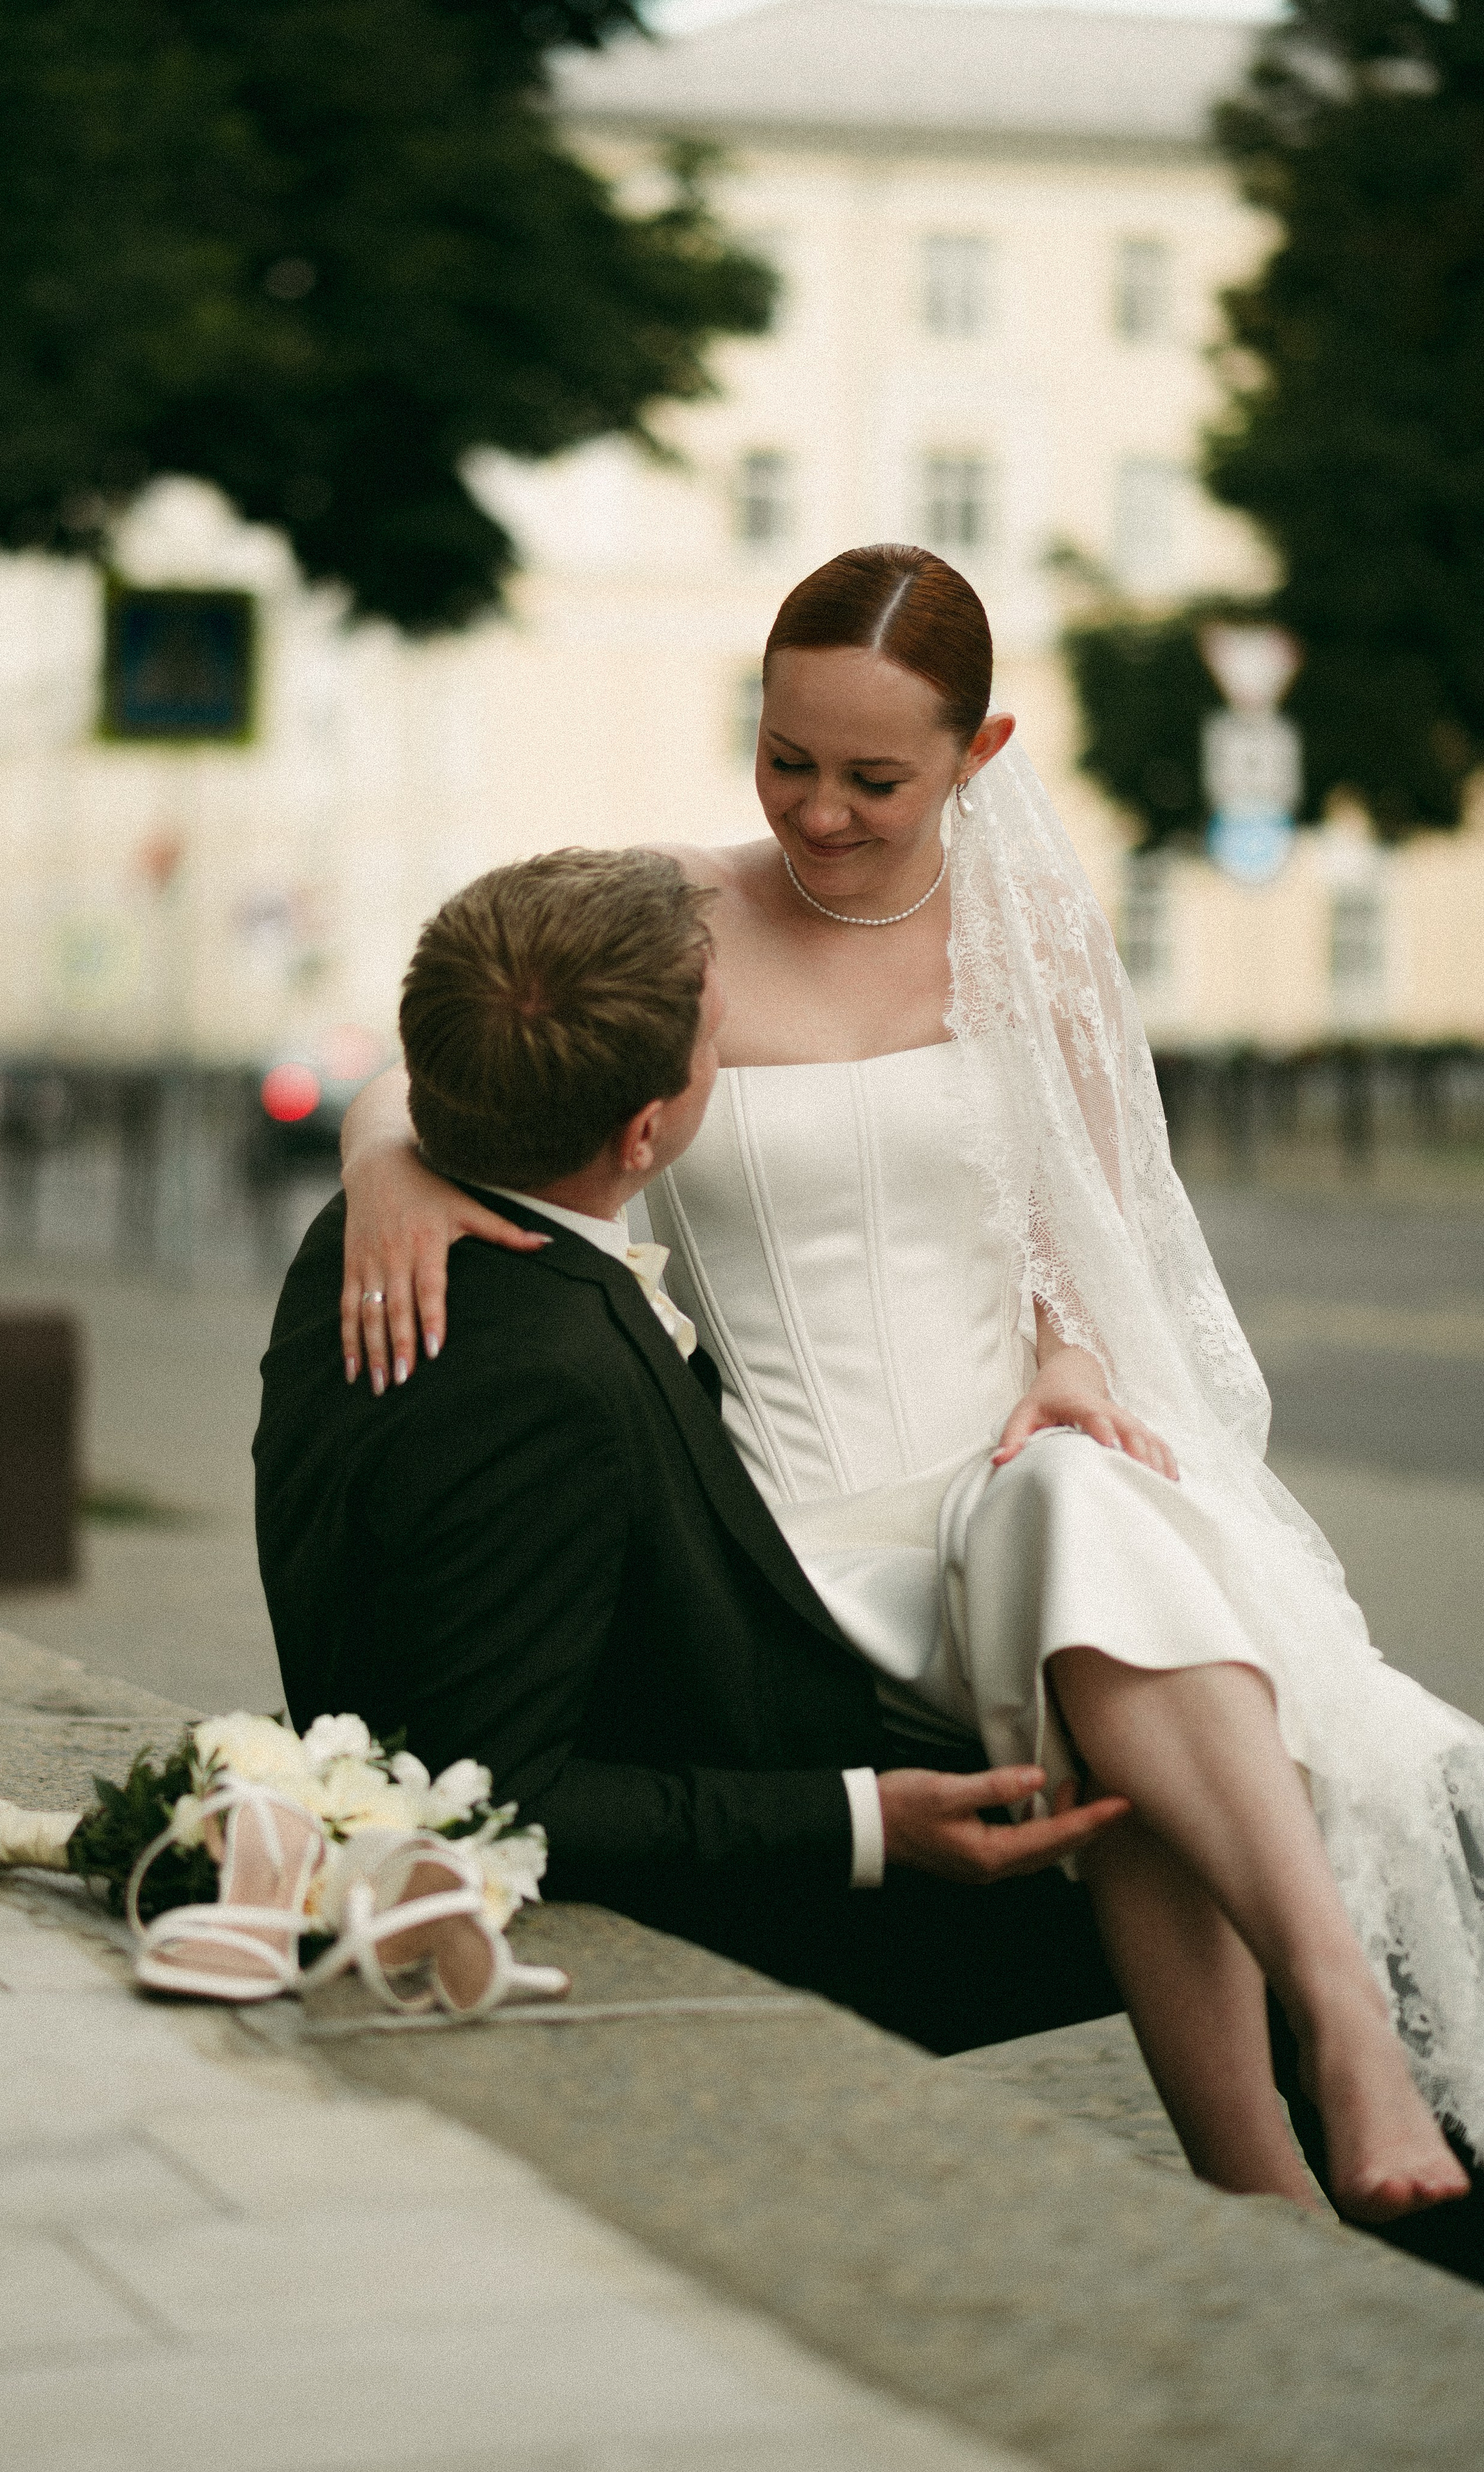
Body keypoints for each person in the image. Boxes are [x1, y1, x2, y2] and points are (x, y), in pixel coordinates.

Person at [335, 545, 1484, 2260]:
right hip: (796, 1547)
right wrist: (386, 1176)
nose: (818, 810)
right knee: (1107, 1601)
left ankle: (1305, 2080)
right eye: (785, 757)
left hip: (1010, 1478)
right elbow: (428, 1066)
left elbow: (1090, 1240)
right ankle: (1304, 2090)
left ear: (981, 751)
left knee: (1077, 1505)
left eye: (874, 776)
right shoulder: (672, 912)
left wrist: (1075, 1361)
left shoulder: (1038, 947)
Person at [256, 846, 1135, 2059]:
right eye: (718, 1047)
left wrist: (378, 1150)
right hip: (710, 1901)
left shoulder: (361, 1246)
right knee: (1207, 1875)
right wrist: (870, 1825)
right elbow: (503, 1796)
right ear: (645, 1130)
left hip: (710, 1740)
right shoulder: (541, 1376)